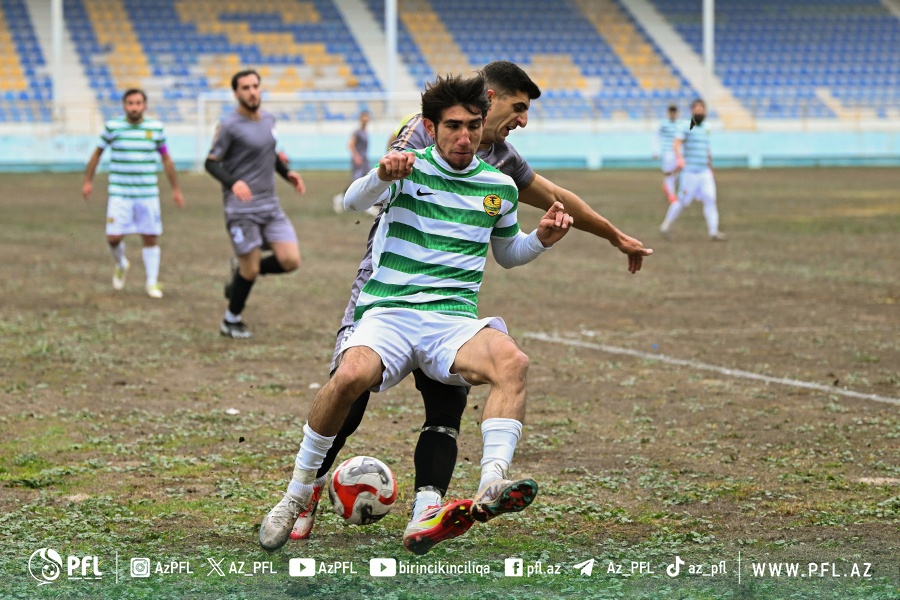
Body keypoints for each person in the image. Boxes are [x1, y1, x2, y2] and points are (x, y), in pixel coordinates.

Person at [288, 61, 653, 549]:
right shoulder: (421, 135)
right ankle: (307, 490)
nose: (522, 120)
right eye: (519, 108)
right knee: (350, 388)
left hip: (450, 299)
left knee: (449, 399)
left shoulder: (500, 160)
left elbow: (555, 198)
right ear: (490, 96)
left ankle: (427, 509)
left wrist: (614, 237)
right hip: (389, 284)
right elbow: (368, 191)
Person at [205, 69, 307, 339]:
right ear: (236, 93)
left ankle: (241, 274)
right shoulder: (229, 126)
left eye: (255, 86)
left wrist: (287, 174)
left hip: (270, 206)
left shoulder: (269, 120)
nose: (252, 91)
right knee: (250, 269)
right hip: (241, 210)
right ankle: (231, 320)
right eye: (245, 88)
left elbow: (269, 153)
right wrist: (233, 182)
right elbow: (211, 162)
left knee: (290, 260)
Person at [82, 88, 184, 298]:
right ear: (124, 106)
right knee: (113, 237)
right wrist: (88, 181)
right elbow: (97, 154)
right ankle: (121, 263)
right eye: (130, 103)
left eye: (138, 103)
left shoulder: (155, 129)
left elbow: (166, 158)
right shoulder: (113, 127)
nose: (134, 107)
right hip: (120, 193)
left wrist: (175, 189)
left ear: (144, 106)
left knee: (150, 236)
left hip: (147, 194)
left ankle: (151, 283)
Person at [659, 99, 726, 241]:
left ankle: (713, 231)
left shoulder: (707, 127)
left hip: (704, 172)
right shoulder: (689, 125)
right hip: (690, 172)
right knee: (682, 202)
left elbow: (707, 149)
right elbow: (677, 143)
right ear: (692, 111)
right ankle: (666, 225)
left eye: (702, 109)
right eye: (697, 109)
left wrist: (710, 166)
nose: (700, 111)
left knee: (710, 199)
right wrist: (679, 158)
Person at [332, 110, 376, 215]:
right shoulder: (357, 132)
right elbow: (350, 144)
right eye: (364, 117)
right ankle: (339, 199)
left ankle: (367, 205)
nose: (366, 119)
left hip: (365, 161)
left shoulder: (365, 131)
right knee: (355, 183)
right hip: (359, 162)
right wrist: (356, 156)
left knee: (368, 181)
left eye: (367, 117)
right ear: (361, 118)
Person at [655, 104, 680, 204]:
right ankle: (672, 195)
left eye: (674, 111)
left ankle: (667, 186)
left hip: (677, 152)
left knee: (677, 174)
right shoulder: (663, 124)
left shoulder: (680, 124)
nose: (672, 114)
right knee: (669, 173)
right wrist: (655, 151)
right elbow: (657, 137)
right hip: (667, 152)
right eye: (671, 111)